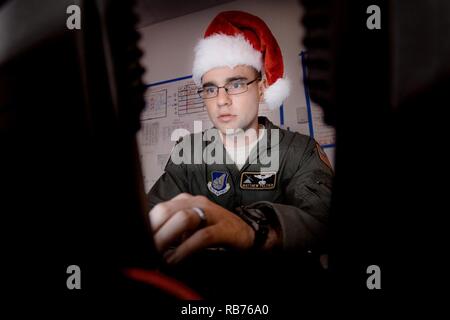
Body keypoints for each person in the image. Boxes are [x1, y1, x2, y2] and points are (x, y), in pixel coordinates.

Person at [147, 11, 333, 266]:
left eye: (235, 84)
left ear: (261, 86)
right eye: (211, 88)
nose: (221, 100)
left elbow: (324, 222)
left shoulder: (300, 151)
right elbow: (151, 214)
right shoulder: (187, 154)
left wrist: (256, 229)